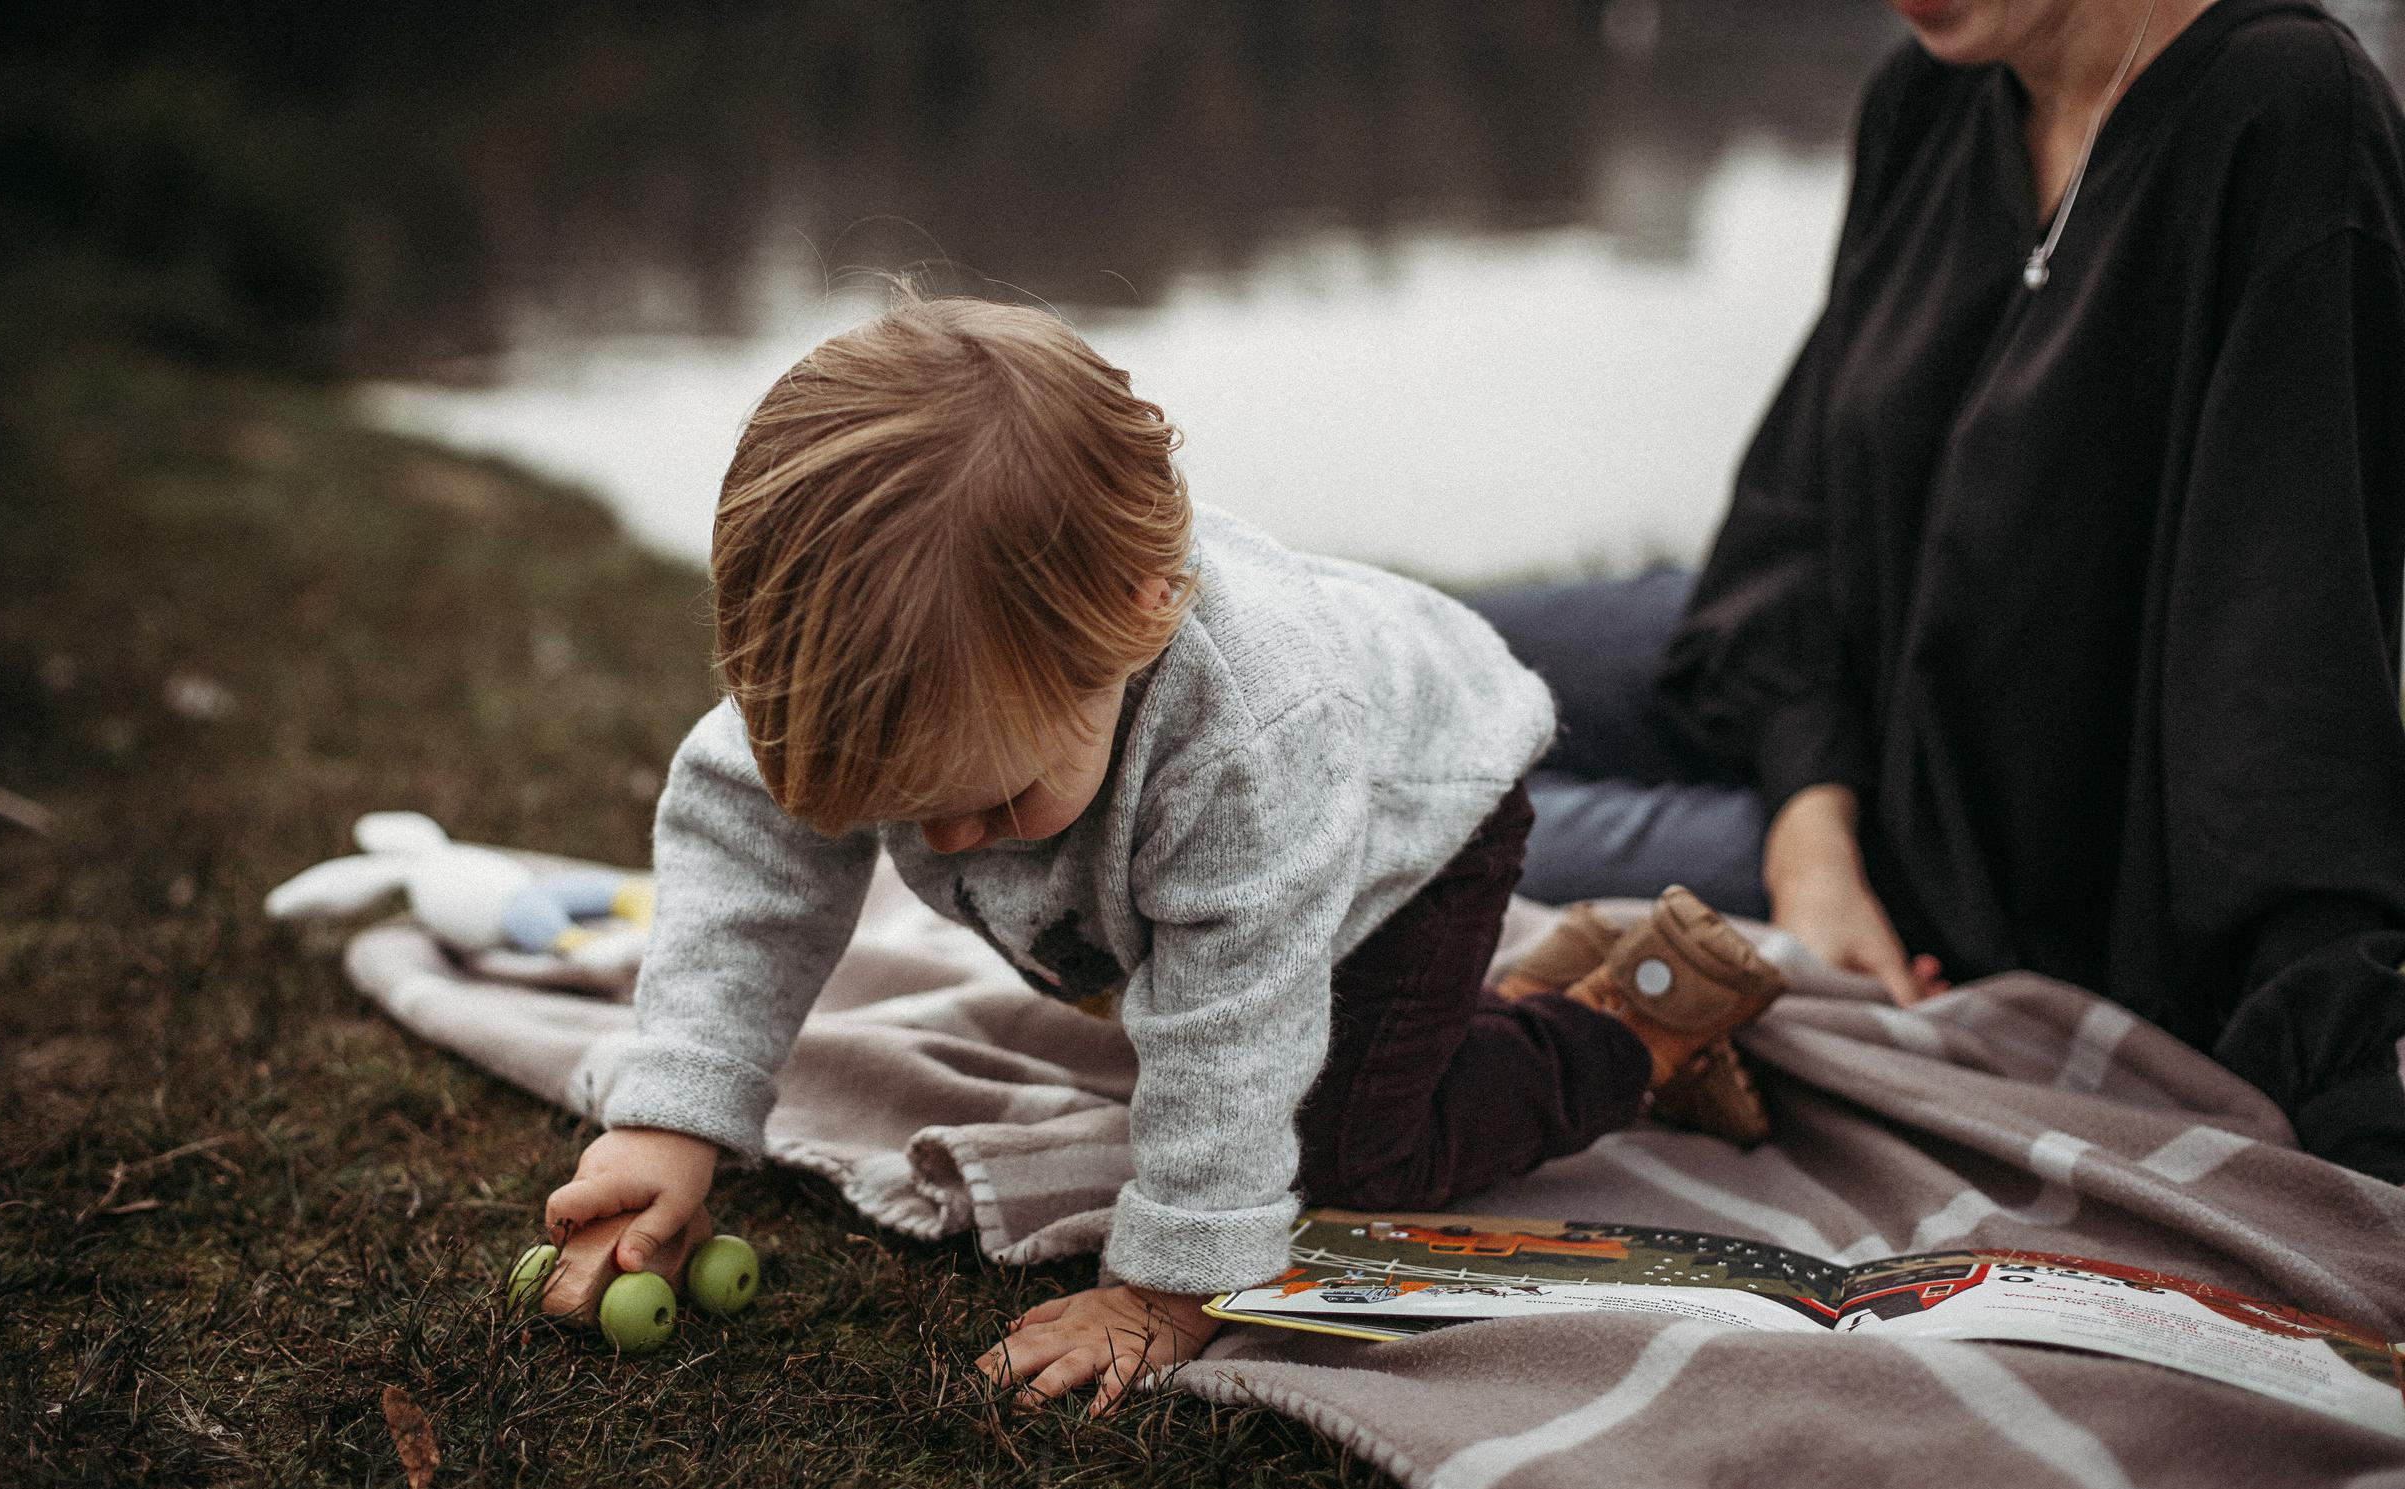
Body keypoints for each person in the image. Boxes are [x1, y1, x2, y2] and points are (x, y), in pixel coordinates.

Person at [529, 296, 1788, 1410]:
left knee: (1350, 1153)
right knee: (1223, 1055)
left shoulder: (1245, 746)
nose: (944, 846)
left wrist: (1170, 1286)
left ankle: (1637, 1019)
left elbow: (1235, 1023)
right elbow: (750, 869)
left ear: (1141, 617)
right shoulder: (868, 674)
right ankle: (1522, 995)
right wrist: (673, 1116)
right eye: (902, 810)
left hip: (1413, 838)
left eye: (994, 800)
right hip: (1258, 843)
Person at [1475, 0, 2405, 1182]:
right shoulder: (1929, 94)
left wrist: (2344, 1110)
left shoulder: (2286, 116)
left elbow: (2284, 679)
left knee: (1406, 831)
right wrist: (1809, 832)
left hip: (1950, 877)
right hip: (1802, 675)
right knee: (1375, 664)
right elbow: (1797, 507)